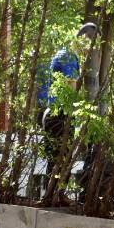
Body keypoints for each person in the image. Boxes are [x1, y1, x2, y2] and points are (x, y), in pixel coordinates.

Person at [38, 22, 98, 203]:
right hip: (59, 114)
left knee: (58, 158)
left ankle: (54, 195)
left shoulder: (66, 54)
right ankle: (54, 196)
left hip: (56, 112)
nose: (90, 50)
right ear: (84, 39)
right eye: (91, 44)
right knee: (60, 157)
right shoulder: (69, 57)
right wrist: (82, 112)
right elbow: (70, 87)